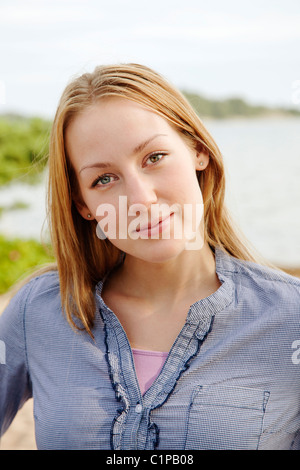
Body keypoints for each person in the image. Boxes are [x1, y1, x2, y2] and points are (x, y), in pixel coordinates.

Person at [0, 63, 300, 451]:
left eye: (154, 157)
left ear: (198, 151)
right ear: (84, 205)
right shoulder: (37, 312)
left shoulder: (290, 319)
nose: (141, 199)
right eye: (103, 179)